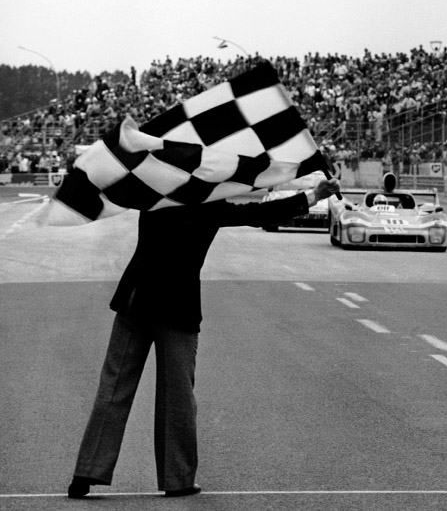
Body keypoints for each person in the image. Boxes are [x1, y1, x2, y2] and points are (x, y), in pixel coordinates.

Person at [68, 177, 342, 499]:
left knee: (113, 387)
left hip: (136, 298)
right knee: (178, 396)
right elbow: (258, 215)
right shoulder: (210, 206)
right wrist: (313, 195)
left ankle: (86, 473)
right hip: (177, 306)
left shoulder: (157, 189)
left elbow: (121, 186)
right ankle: (177, 479)